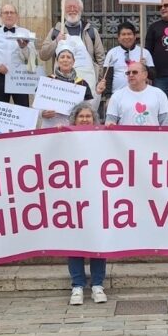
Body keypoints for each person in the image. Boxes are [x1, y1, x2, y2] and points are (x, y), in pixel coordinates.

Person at [65, 103, 108, 305]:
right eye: (80, 116)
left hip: (97, 197)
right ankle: (77, 285)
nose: (84, 119)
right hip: (72, 198)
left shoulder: (103, 139)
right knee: (74, 242)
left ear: (94, 119)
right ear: (74, 119)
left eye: (88, 116)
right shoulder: (64, 138)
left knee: (98, 241)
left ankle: (98, 285)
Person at [39, 0, 105, 97]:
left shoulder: (91, 31)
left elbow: (101, 58)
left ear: (80, 10)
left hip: (88, 80)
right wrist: (56, 41)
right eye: (69, 7)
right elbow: (43, 55)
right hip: (62, 82)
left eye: (75, 7)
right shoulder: (55, 31)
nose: (72, 10)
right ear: (63, 10)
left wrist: (98, 79)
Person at [0, 3, 34, 106]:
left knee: (23, 109)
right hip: (0, 77)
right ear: (1, 16)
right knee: (0, 110)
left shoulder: (26, 33)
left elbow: (32, 59)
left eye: (11, 12)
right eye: (6, 13)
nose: (9, 15)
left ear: (16, 15)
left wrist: (23, 47)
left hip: (20, 77)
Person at [40, 45, 93, 128]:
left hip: (73, 130)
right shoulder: (47, 81)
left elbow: (89, 108)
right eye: (62, 57)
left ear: (73, 61)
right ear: (57, 61)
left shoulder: (82, 83)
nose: (65, 60)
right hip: (50, 127)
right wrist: (42, 113)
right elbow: (37, 105)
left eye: (68, 57)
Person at [97, 22, 156, 97]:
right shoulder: (112, 53)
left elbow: (153, 76)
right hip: (117, 95)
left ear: (135, 36)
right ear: (118, 38)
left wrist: (145, 67)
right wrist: (108, 97)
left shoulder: (144, 53)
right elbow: (107, 78)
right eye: (123, 34)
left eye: (129, 34)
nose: (127, 37)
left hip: (140, 95)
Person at [105, 61, 168, 126]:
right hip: (125, 138)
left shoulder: (159, 94)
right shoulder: (117, 95)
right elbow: (110, 121)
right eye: (128, 73)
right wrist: (110, 124)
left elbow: (166, 122)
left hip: (153, 138)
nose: (131, 75)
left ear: (145, 75)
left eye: (135, 72)